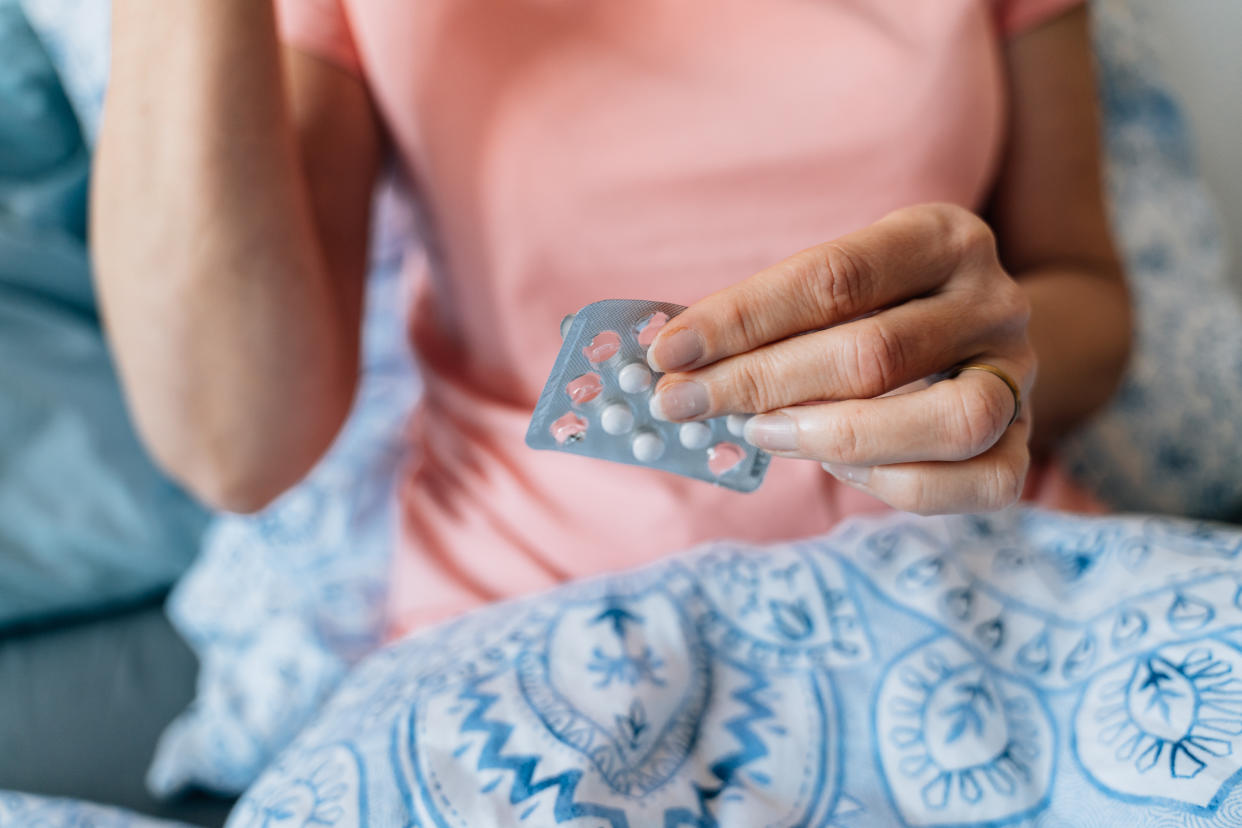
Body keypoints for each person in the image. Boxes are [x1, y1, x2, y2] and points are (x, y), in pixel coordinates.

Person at [94, 0, 1131, 637]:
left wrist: (990, 367)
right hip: (537, 624)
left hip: (984, 579)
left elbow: (1083, 291)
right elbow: (234, 441)